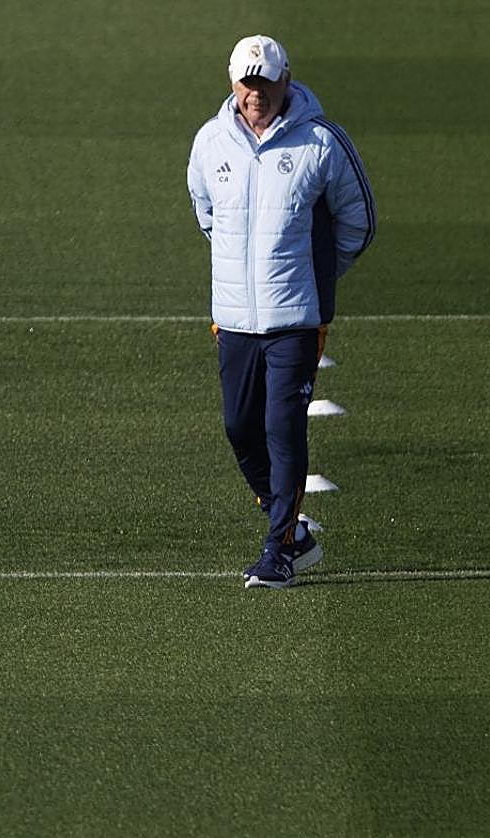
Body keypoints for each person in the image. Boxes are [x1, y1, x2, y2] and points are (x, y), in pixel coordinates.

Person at [187, 34, 376, 589]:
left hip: (296, 317)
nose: (256, 94)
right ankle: (291, 530)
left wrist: (312, 278)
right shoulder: (209, 142)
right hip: (234, 319)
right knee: (240, 428)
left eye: (265, 82)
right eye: (247, 83)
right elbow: (206, 215)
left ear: (285, 80)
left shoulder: (322, 142)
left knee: (282, 429)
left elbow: (357, 222)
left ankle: (278, 553)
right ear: (233, 84)